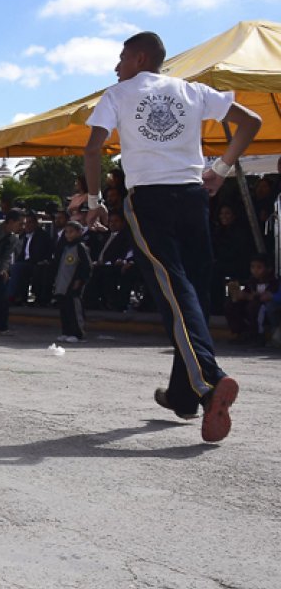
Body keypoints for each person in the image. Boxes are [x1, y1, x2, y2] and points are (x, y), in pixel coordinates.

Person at [84, 31, 260, 442]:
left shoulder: (119, 94)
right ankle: (182, 395)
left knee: (174, 292)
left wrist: (94, 199)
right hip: (193, 197)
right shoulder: (192, 90)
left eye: (122, 57)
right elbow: (252, 123)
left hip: (149, 201)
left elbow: (93, 149)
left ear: (140, 58)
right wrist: (219, 168)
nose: (116, 66)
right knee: (191, 296)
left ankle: (210, 382)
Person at [52, 221, 93, 343]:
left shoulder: (80, 247)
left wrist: (79, 279)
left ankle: (78, 333)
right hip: (62, 284)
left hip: (73, 283)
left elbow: (87, 266)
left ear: (79, 232)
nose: (68, 235)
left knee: (74, 309)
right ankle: (66, 332)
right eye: (66, 232)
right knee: (64, 310)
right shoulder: (64, 247)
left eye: (71, 232)